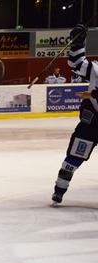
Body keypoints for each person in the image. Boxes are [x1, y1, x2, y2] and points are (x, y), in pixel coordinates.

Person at [51, 23, 96, 205]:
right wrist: (78, 42)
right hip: (92, 124)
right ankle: (59, 191)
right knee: (72, 160)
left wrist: (93, 94)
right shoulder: (96, 69)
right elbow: (76, 64)